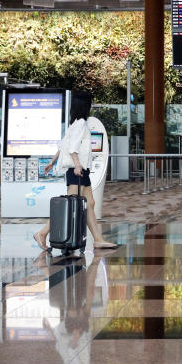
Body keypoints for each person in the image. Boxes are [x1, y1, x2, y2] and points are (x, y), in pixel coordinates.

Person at [34, 90, 117, 251]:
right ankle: (42, 233)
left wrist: (52, 161)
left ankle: (98, 239)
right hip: (76, 170)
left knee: (90, 203)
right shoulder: (79, 124)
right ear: (85, 105)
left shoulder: (76, 123)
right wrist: (78, 165)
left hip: (79, 170)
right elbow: (72, 148)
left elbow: (63, 144)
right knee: (67, 205)